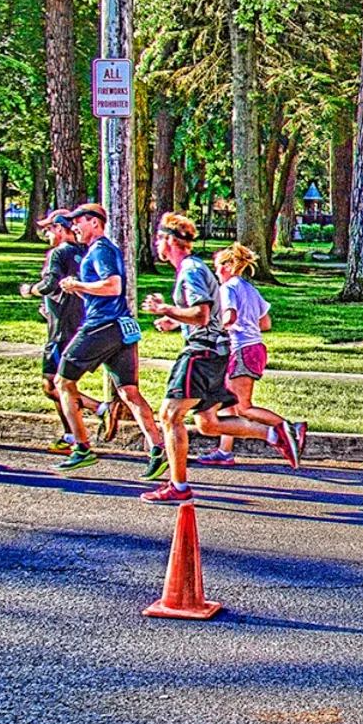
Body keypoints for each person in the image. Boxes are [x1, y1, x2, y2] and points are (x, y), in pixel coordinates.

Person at [138, 214, 304, 503]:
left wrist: (164, 309)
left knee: (169, 415)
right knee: (208, 423)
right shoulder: (195, 269)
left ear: (169, 241)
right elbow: (209, 314)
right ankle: (274, 435)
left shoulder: (190, 270)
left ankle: (178, 487)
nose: (156, 244)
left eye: (158, 239)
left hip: (202, 352)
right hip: (216, 351)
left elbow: (201, 315)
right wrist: (176, 321)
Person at [53, 202, 168, 475]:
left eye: (78, 221)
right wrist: (76, 290)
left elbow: (113, 286)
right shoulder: (100, 251)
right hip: (121, 326)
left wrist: (78, 284)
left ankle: (81, 447)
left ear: (94, 222)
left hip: (102, 327)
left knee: (62, 381)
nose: (74, 227)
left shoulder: (101, 250)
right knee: (129, 392)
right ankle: (159, 448)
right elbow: (103, 294)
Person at [198, 242, 281, 467]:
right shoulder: (249, 288)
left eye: (216, 267)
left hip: (243, 349)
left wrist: (216, 328)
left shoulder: (228, 288)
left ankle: (288, 430)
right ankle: (225, 451)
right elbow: (265, 322)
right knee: (230, 402)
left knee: (243, 406)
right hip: (255, 348)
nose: (215, 272)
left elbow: (229, 317)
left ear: (227, 266)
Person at [18, 208, 89, 453]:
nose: (47, 233)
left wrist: (31, 290)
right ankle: (73, 434)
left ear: (60, 228)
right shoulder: (84, 251)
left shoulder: (58, 253)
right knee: (64, 382)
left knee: (52, 384)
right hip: (76, 321)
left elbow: (50, 284)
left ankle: (94, 415)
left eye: (49, 228)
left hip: (60, 330)